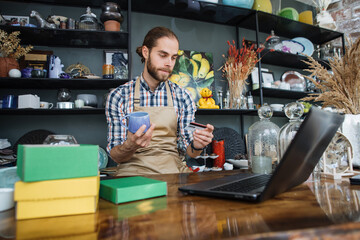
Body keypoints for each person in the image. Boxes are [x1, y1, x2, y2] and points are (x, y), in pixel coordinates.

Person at [105, 26, 214, 176]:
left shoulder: (183, 97)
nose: (169, 63)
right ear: (146, 52)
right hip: (132, 174)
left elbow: (191, 151)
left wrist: (198, 145)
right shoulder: (119, 96)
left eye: (173, 57)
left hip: (173, 173)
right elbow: (115, 155)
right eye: (163, 55)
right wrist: (130, 146)